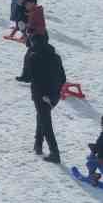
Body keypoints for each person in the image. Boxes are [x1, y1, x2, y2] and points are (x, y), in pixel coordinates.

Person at [21, 34, 65, 162]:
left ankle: (54, 152)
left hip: (40, 94)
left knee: (46, 122)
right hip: (54, 95)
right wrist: (54, 92)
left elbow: (28, 77)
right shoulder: (56, 57)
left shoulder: (33, 56)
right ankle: (38, 144)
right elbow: (63, 78)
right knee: (42, 116)